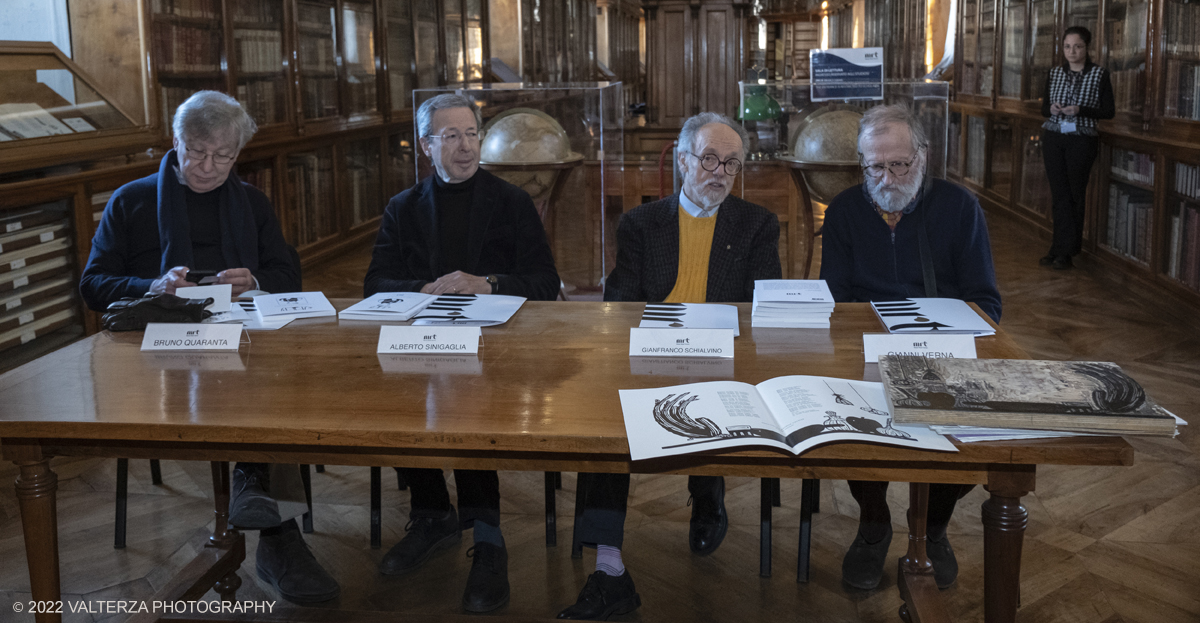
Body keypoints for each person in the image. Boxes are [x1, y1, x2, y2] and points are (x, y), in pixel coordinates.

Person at [79, 91, 338, 605]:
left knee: (278, 384)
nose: (208, 166)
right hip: (154, 353)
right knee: (253, 391)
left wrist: (256, 280)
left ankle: (265, 510)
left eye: (224, 156)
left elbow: (290, 275)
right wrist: (152, 286)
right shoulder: (132, 200)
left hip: (240, 341)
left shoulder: (253, 202)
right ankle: (274, 525)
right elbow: (93, 284)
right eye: (196, 151)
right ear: (175, 142)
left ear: (238, 153)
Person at [558, 112, 782, 620]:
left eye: (731, 163)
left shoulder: (756, 224)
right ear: (683, 161)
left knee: (706, 405)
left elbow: (761, 313)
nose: (719, 172)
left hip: (726, 362)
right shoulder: (642, 222)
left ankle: (707, 492)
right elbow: (620, 306)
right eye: (708, 158)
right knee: (608, 424)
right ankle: (609, 567)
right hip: (650, 356)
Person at [364, 93, 559, 613]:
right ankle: (432, 516)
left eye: (471, 133)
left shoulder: (511, 202)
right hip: (421, 343)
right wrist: (422, 288)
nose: (465, 145)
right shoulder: (403, 208)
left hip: (494, 351)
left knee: (471, 403)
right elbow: (375, 283)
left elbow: (544, 282)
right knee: (409, 400)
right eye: (450, 136)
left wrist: (487, 283)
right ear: (427, 146)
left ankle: (489, 538)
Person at [820, 103, 1002, 592]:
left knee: (972, 439)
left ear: (923, 156)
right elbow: (833, 303)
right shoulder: (843, 211)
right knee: (848, 425)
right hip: (866, 356)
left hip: (944, 356)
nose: (888, 176)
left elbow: (986, 302)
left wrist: (947, 335)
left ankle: (934, 527)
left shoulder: (959, 208)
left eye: (899, 164)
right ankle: (874, 521)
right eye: (874, 166)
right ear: (861, 164)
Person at [1040, 26, 1115, 269]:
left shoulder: (1100, 75)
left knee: (1074, 194)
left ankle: (1067, 251)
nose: (1072, 51)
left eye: (1078, 46)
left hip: (1082, 139)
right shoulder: (1053, 74)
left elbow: (1108, 111)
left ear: (1087, 48)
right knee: (1059, 193)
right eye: (1067, 46)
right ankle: (1057, 247)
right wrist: (1052, 109)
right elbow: (1043, 109)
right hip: (1054, 136)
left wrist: (1080, 110)